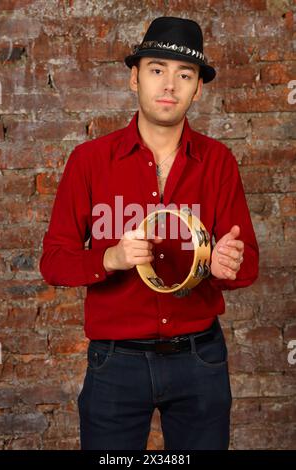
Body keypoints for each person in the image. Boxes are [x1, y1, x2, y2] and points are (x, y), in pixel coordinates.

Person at [40, 16, 259, 450]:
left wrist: (218, 264)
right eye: (157, 69)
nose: (170, 85)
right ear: (134, 78)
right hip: (115, 363)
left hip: (199, 359)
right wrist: (110, 259)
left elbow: (248, 262)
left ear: (197, 88)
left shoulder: (219, 162)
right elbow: (54, 261)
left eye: (185, 75)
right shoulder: (88, 161)